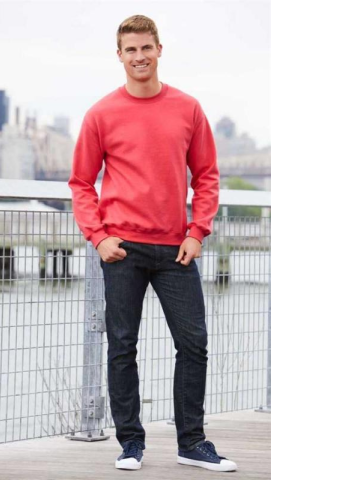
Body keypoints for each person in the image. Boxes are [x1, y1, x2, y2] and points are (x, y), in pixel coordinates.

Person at [68, 14, 237, 473]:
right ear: (119, 55)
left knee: (194, 344)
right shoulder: (101, 113)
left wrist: (198, 231)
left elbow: (207, 176)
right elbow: (81, 182)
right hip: (122, 248)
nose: (139, 56)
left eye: (146, 47)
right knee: (122, 347)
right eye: (131, 49)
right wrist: (98, 237)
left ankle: (192, 443)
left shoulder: (188, 108)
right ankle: (130, 444)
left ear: (159, 50)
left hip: (176, 249)